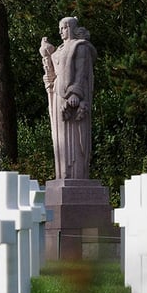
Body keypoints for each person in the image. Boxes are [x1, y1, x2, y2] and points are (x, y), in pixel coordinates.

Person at [40, 17, 97, 179]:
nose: (60, 32)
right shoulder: (58, 51)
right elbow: (53, 73)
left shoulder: (80, 47)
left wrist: (76, 93)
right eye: (60, 28)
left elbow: (82, 73)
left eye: (63, 28)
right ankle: (63, 174)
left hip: (74, 97)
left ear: (71, 28)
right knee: (60, 137)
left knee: (75, 138)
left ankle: (77, 175)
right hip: (58, 95)